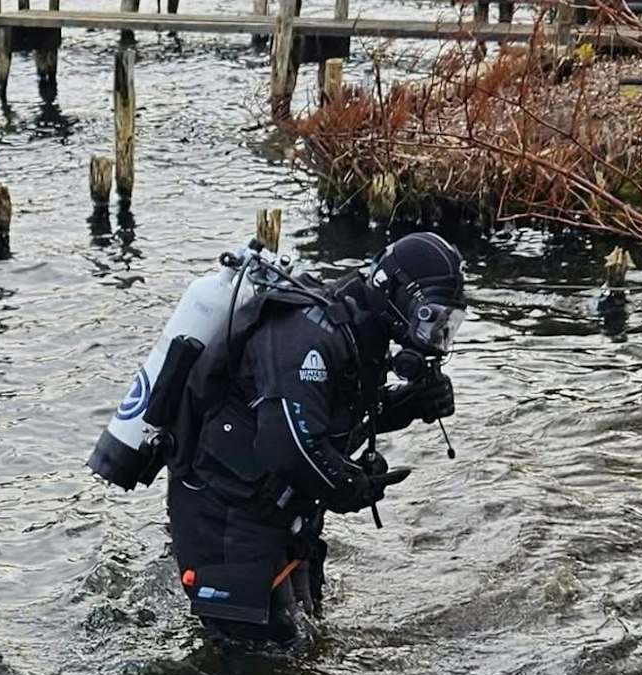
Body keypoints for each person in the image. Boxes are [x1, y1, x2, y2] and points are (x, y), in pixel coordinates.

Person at [167, 231, 467, 647]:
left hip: (281, 517)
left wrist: (411, 404)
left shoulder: (364, 333)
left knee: (307, 645)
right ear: (394, 292)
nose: (434, 336)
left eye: (446, 325)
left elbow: (334, 419)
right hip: (225, 521)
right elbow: (287, 446)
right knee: (254, 668)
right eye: (430, 318)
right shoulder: (306, 338)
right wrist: (353, 487)